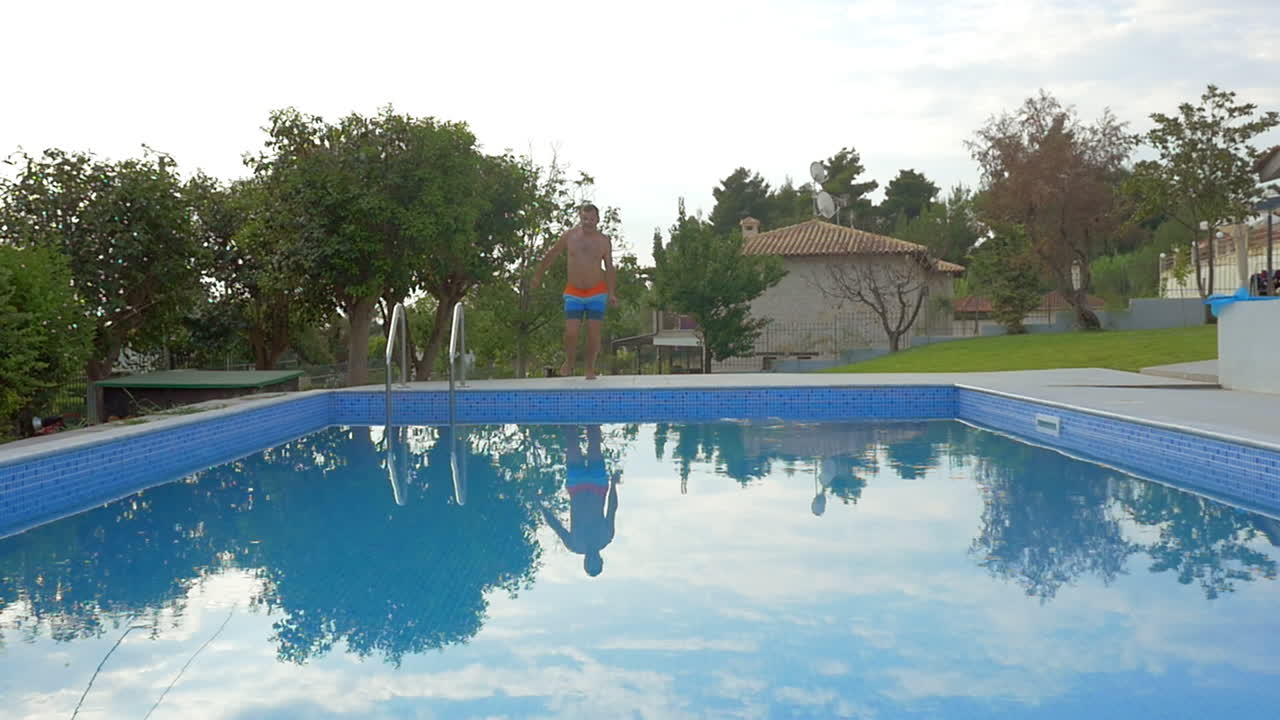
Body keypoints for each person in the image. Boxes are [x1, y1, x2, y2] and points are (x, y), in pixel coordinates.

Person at [531, 204, 618, 379]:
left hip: (596, 291)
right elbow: (552, 254)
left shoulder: (603, 241)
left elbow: (609, 267)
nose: (588, 222)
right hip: (574, 291)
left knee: (594, 333)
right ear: (580, 218)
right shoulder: (570, 237)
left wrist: (612, 293)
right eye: (584, 218)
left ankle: (590, 368)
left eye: (591, 219)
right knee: (571, 332)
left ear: (597, 219)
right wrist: (538, 276)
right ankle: (569, 361)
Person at [541, 425, 620, 577]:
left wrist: (540, 506)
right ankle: (592, 410)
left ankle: (568, 411)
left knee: (571, 441)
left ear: (585, 562)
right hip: (598, 485)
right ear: (601, 560)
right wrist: (613, 485)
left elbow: (555, 525)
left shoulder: (574, 544)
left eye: (589, 563)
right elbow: (612, 509)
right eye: (595, 562)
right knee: (594, 441)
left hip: (577, 486)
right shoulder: (606, 537)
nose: (592, 559)